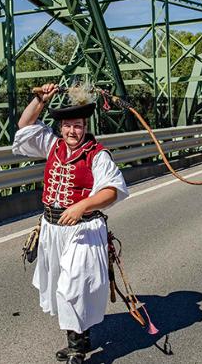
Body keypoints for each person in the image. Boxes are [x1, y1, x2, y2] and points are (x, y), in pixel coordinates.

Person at [12, 82, 128, 364]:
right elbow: (24, 127)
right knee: (59, 285)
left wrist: (83, 205)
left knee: (72, 287)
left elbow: (112, 190)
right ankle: (81, 336)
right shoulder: (53, 145)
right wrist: (40, 100)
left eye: (77, 126)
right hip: (52, 229)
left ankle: (76, 349)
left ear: (85, 126)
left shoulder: (96, 154)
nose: (71, 131)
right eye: (67, 126)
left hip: (83, 231)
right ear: (61, 127)